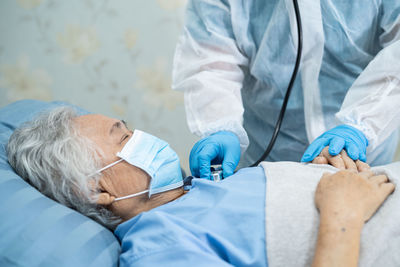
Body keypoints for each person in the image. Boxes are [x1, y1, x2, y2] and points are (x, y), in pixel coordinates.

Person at [6, 106, 397, 266]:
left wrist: (316, 174)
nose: (144, 136)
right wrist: (341, 213)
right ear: (96, 191)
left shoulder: (202, 189)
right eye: (123, 139)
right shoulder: (158, 248)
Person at [172, 0, 400, 180]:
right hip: (266, 159)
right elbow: (210, 63)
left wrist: (362, 125)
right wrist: (220, 126)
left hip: (362, 153)